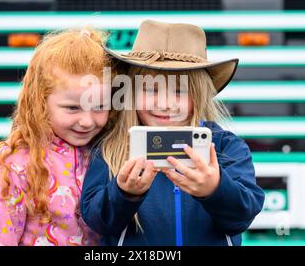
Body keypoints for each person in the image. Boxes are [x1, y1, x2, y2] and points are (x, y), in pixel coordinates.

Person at [80, 19, 265, 246]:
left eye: (179, 91)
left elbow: (242, 216)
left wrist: (214, 189)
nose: (165, 103)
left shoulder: (226, 147)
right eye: (150, 89)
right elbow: (96, 221)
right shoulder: (112, 147)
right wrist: (124, 193)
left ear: (198, 94)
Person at [0, 28, 112, 246]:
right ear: (40, 102)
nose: (87, 121)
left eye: (99, 106)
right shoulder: (16, 163)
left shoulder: (109, 153)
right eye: (72, 108)